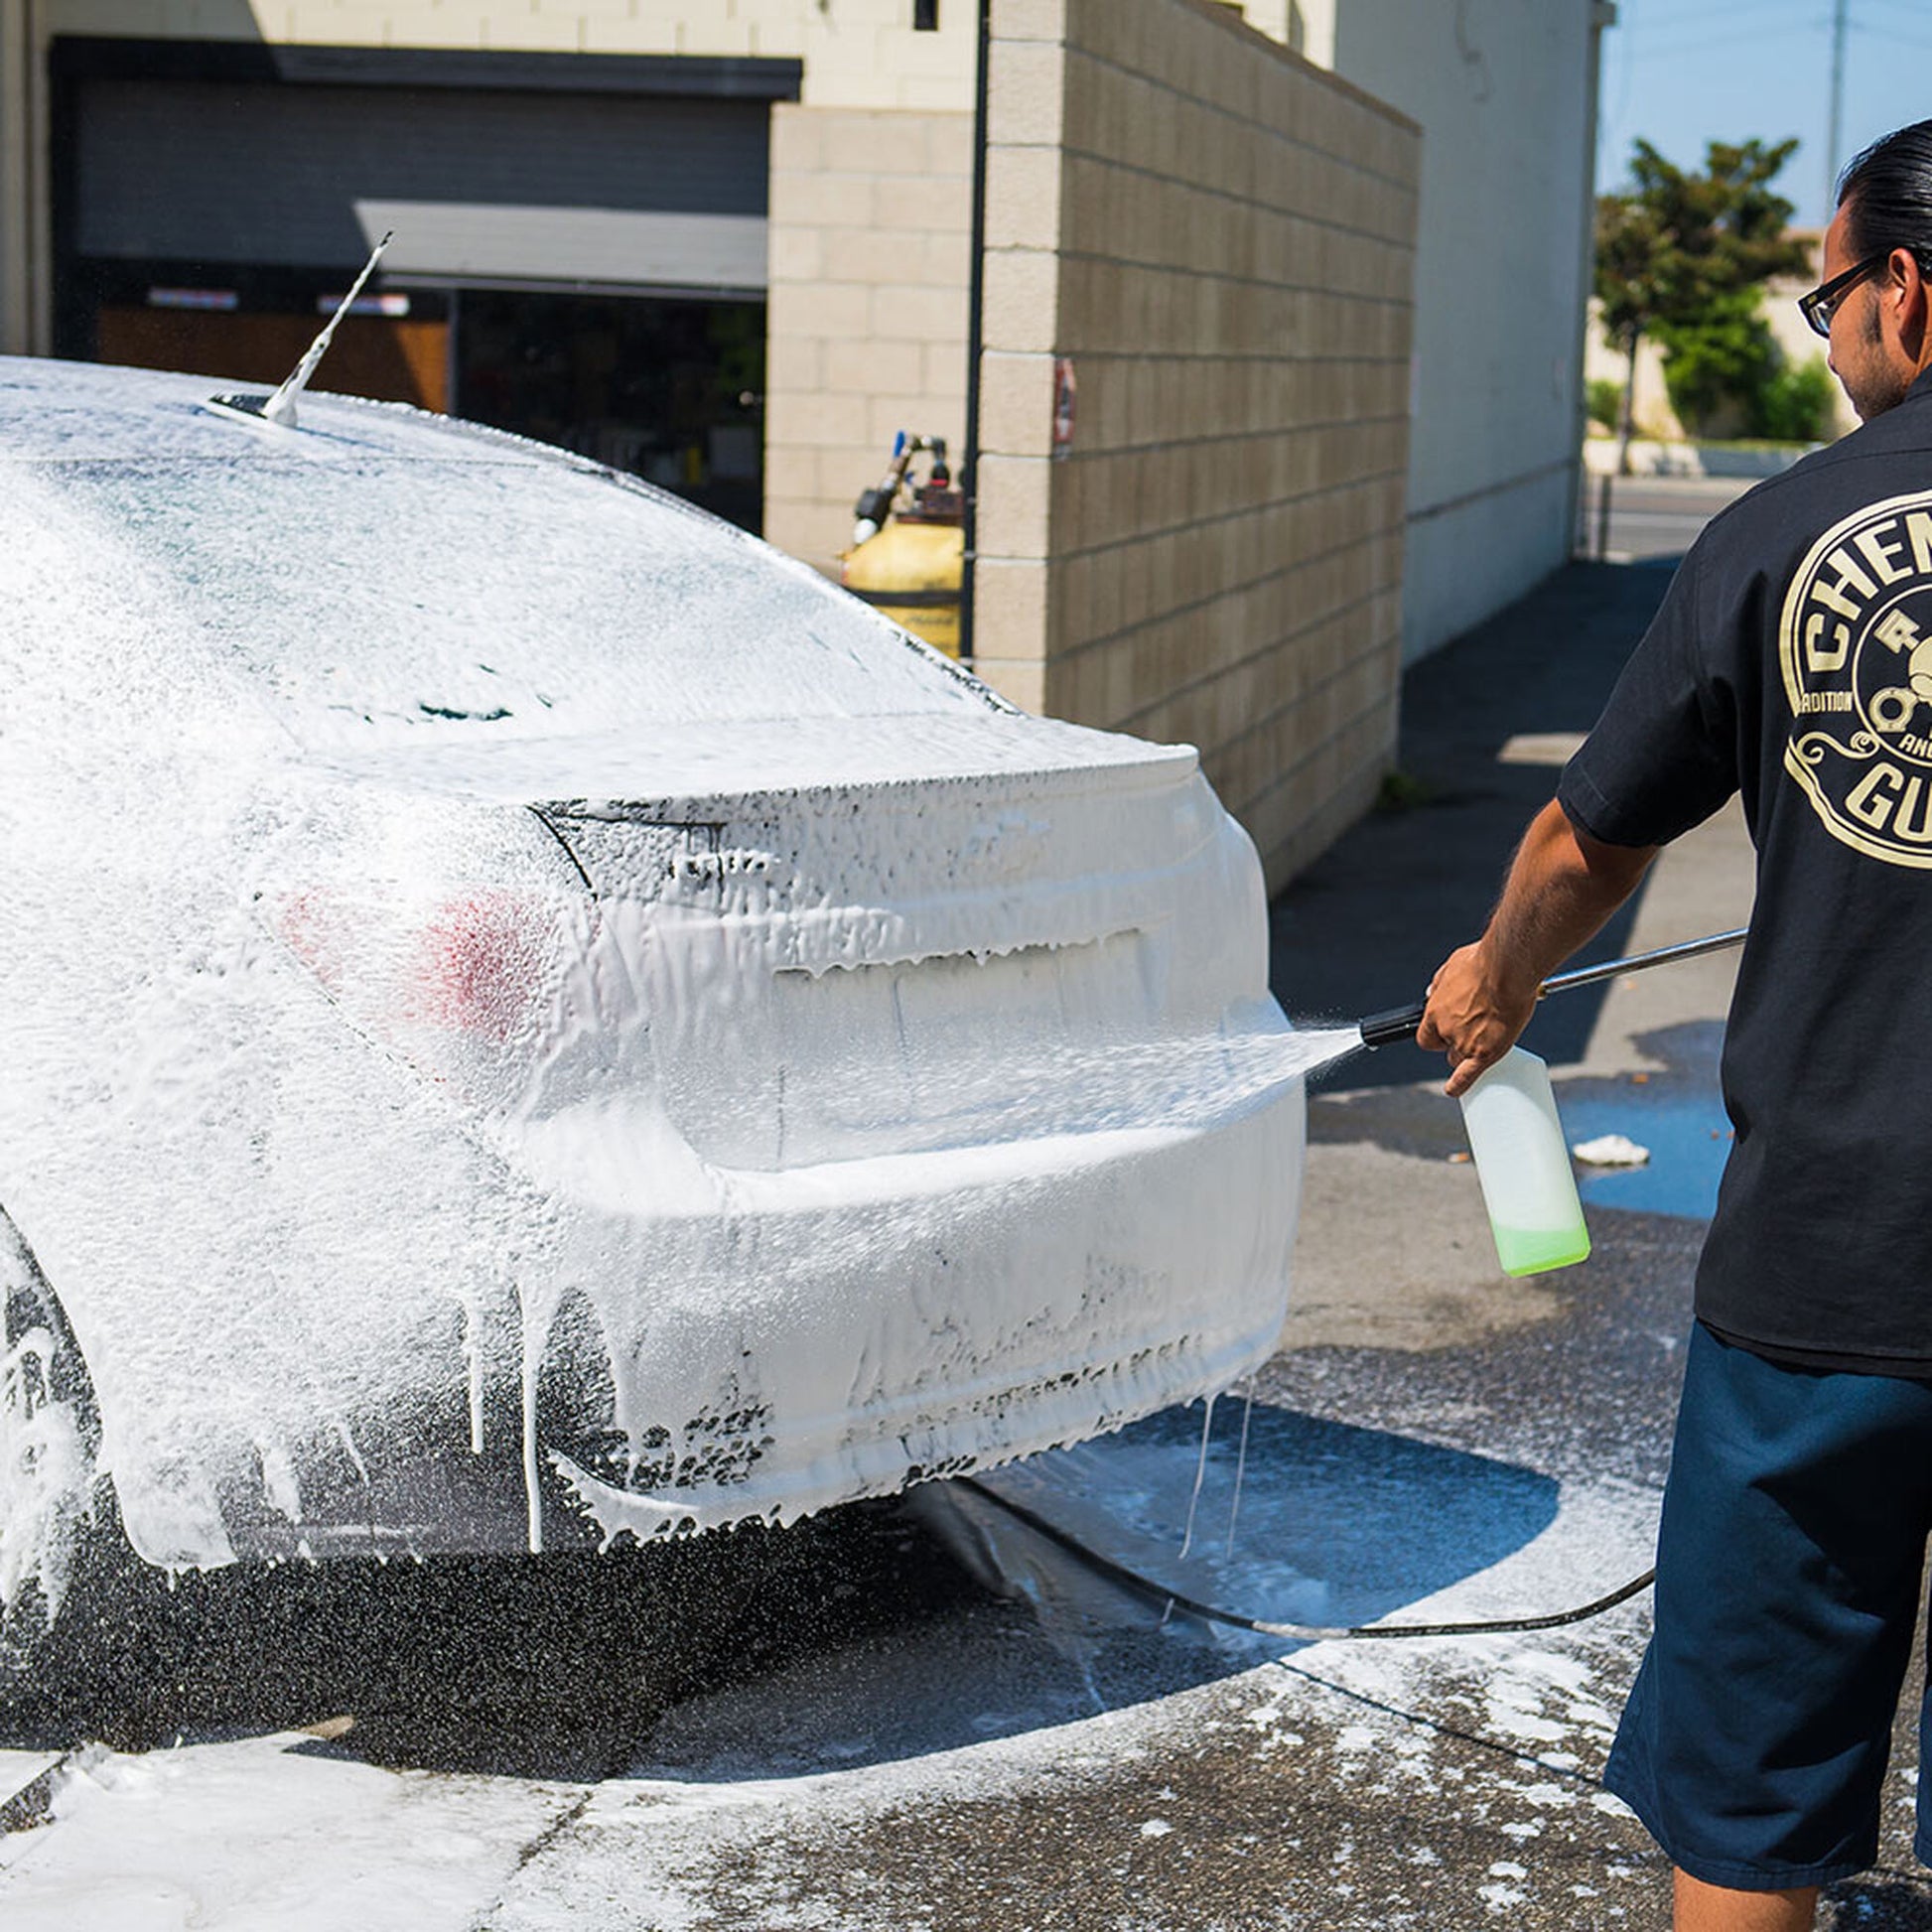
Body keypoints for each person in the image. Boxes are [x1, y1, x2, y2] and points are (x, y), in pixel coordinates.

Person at [1418, 120, 1932, 1932]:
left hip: (1826, 1259)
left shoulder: (1780, 531)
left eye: (1826, 296)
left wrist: (1492, 977)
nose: (1829, 332)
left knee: (1745, 1780)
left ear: (1906, 295)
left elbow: (1584, 840)